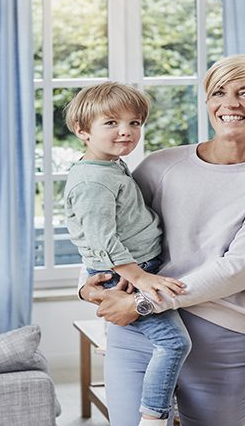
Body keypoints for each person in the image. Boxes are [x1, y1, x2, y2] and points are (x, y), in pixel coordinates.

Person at [77, 55, 245, 426]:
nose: (230, 103)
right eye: (218, 92)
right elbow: (109, 228)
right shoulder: (160, 165)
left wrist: (142, 303)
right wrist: (86, 287)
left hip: (219, 337)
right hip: (137, 334)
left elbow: (240, 268)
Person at [63, 81, 190, 426]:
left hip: (132, 266)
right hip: (128, 272)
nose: (126, 132)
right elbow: (102, 241)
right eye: (111, 123)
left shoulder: (110, 165)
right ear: (82, 130)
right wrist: (140, 277)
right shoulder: (93, 181)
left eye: (134, 123)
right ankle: (153, 416)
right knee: (175, 344)